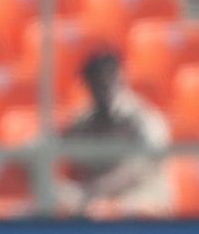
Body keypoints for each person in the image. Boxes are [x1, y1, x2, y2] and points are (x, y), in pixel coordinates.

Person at [54, 52, 170, 217]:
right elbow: (56, 147)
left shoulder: (144, 120)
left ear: (120, 80)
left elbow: (139, 168)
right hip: (95, 205)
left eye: (106, 80)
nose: (100, 88)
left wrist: (93, 191)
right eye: (94, 82)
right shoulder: (86, 121)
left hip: (141, 203)